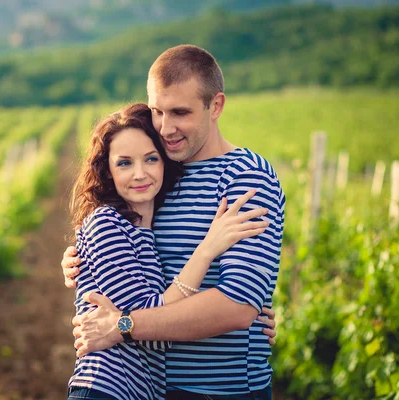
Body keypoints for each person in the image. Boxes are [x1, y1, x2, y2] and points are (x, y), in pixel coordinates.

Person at [62, 44, 285, 400]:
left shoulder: (245, 179)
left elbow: (237, 306)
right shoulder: (160, 173)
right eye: (157, 112)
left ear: (216, 106)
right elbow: (125, 248)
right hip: (147, 388)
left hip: (218, 390)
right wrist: (80, 258)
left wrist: (123, 326)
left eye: (180, 113)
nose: (166, 128)